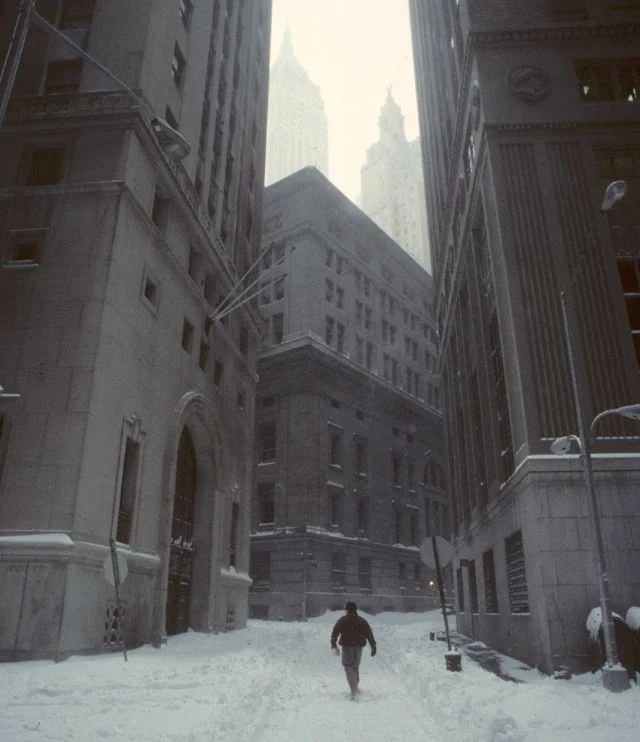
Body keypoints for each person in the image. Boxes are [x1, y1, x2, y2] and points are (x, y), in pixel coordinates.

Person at [330, 601, 376, 699]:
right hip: (359, 646)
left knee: (348, 666)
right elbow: (369, 633)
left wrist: (334, 644)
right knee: (355, 666)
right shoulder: (361, 621)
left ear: (346, 610)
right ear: (355, 609)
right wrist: (373, 646)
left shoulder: (343, 620)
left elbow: (335, 632)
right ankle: (356, 688)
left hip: (347, 646)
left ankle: (354, 691)